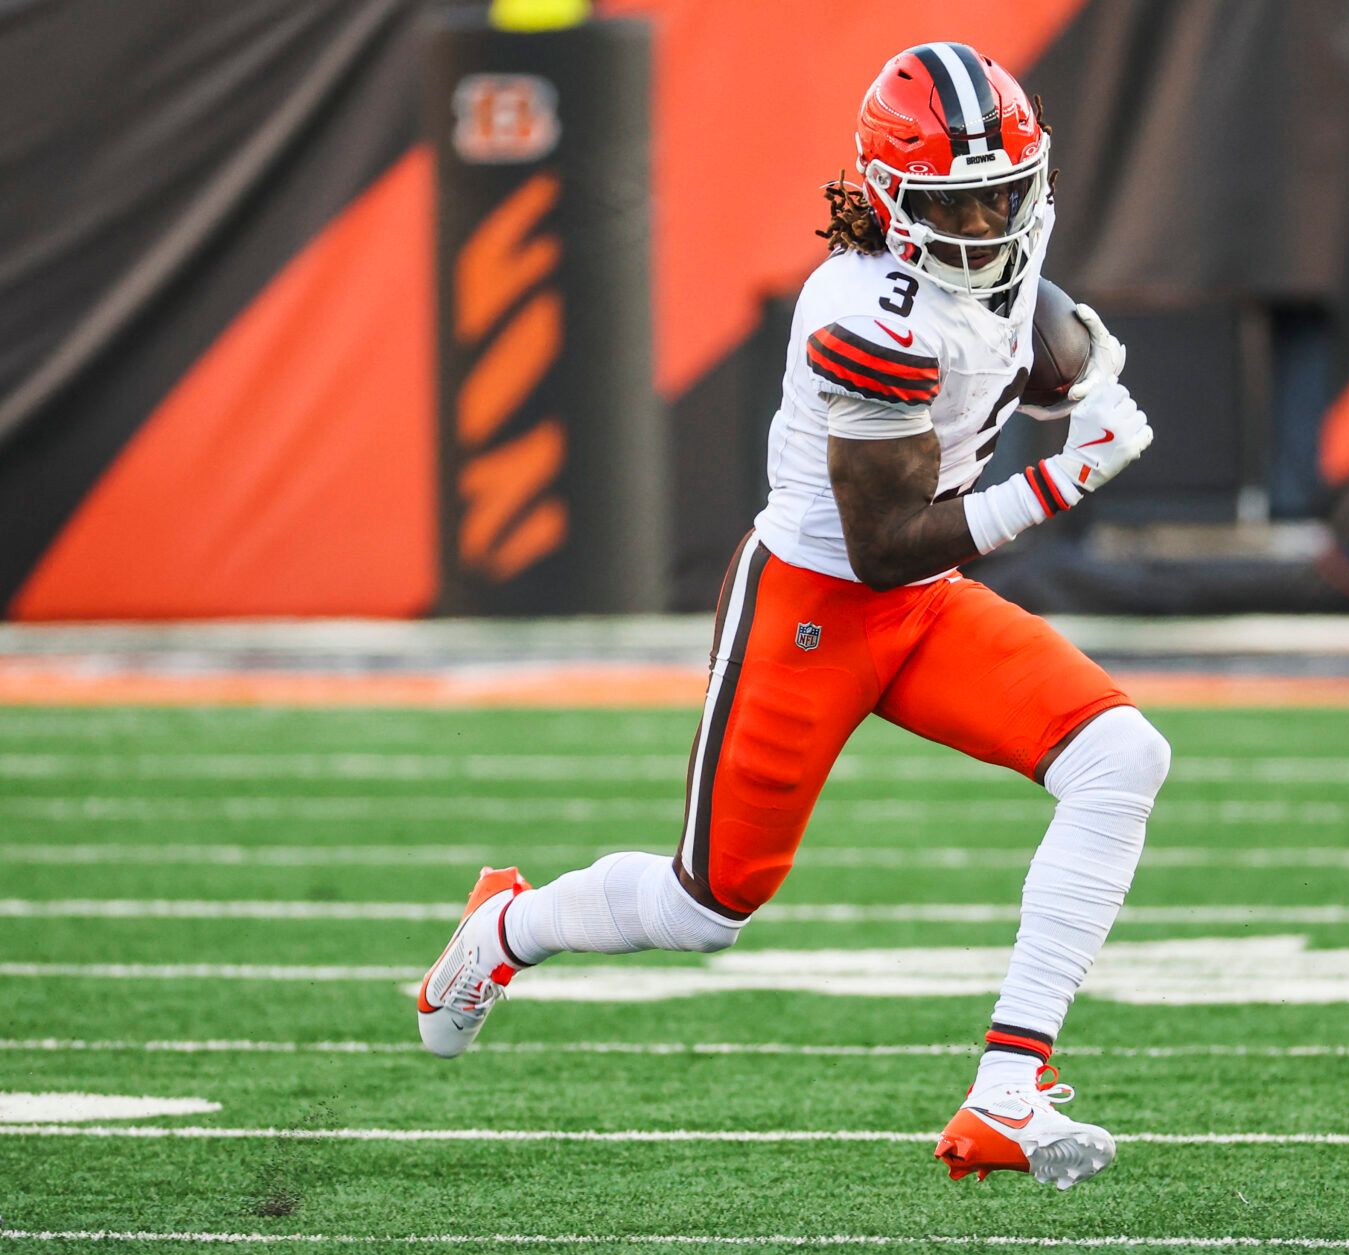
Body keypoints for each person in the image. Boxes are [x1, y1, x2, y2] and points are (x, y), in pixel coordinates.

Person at [416, 41, 1169, 1191]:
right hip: (818, 606)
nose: (990, 218)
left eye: (1006, 191)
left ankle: (1006, 1090)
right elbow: (885, 544)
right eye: (959, 199)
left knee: (1121, 753)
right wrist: (1063, 477)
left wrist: (1076, 374)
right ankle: (505, 929)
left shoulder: (996, 261)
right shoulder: (864, 311)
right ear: (889, 199)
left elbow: (1022, 348)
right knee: (706, 903)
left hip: (922, 608)